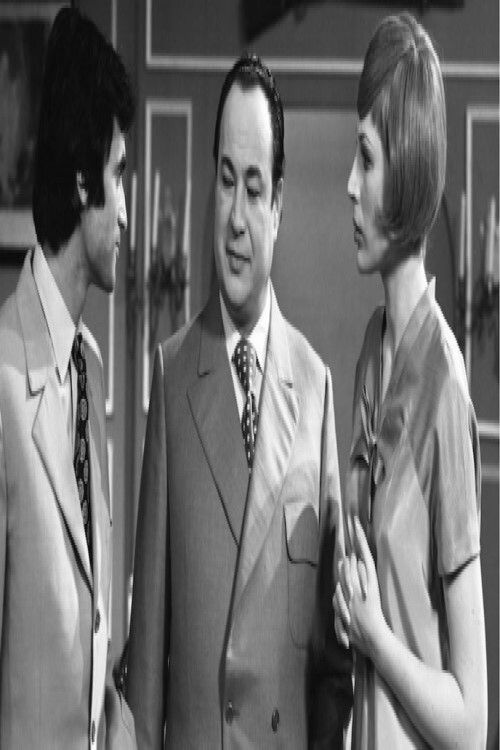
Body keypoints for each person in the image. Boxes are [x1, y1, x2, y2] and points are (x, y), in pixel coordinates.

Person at [127, 53, 352, 748]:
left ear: (278, 206)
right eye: (226, 181)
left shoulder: (316, 388)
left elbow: (333, 669)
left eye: (254, 189)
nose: (235, 217)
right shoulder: (171, 376)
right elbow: (146, 665)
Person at [333, 12, 487, 749]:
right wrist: (352, 613)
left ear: (407, 170)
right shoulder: (371, 350)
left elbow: (472, 722)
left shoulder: (444, 384)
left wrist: (375, 637)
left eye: (365, 158)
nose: (349, 185)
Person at [0, 7, 136, 748]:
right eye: (120, 175)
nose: (128, 212)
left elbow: (90, 635)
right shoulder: (1, 383)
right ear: (85, 183)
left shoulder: (89, 368)